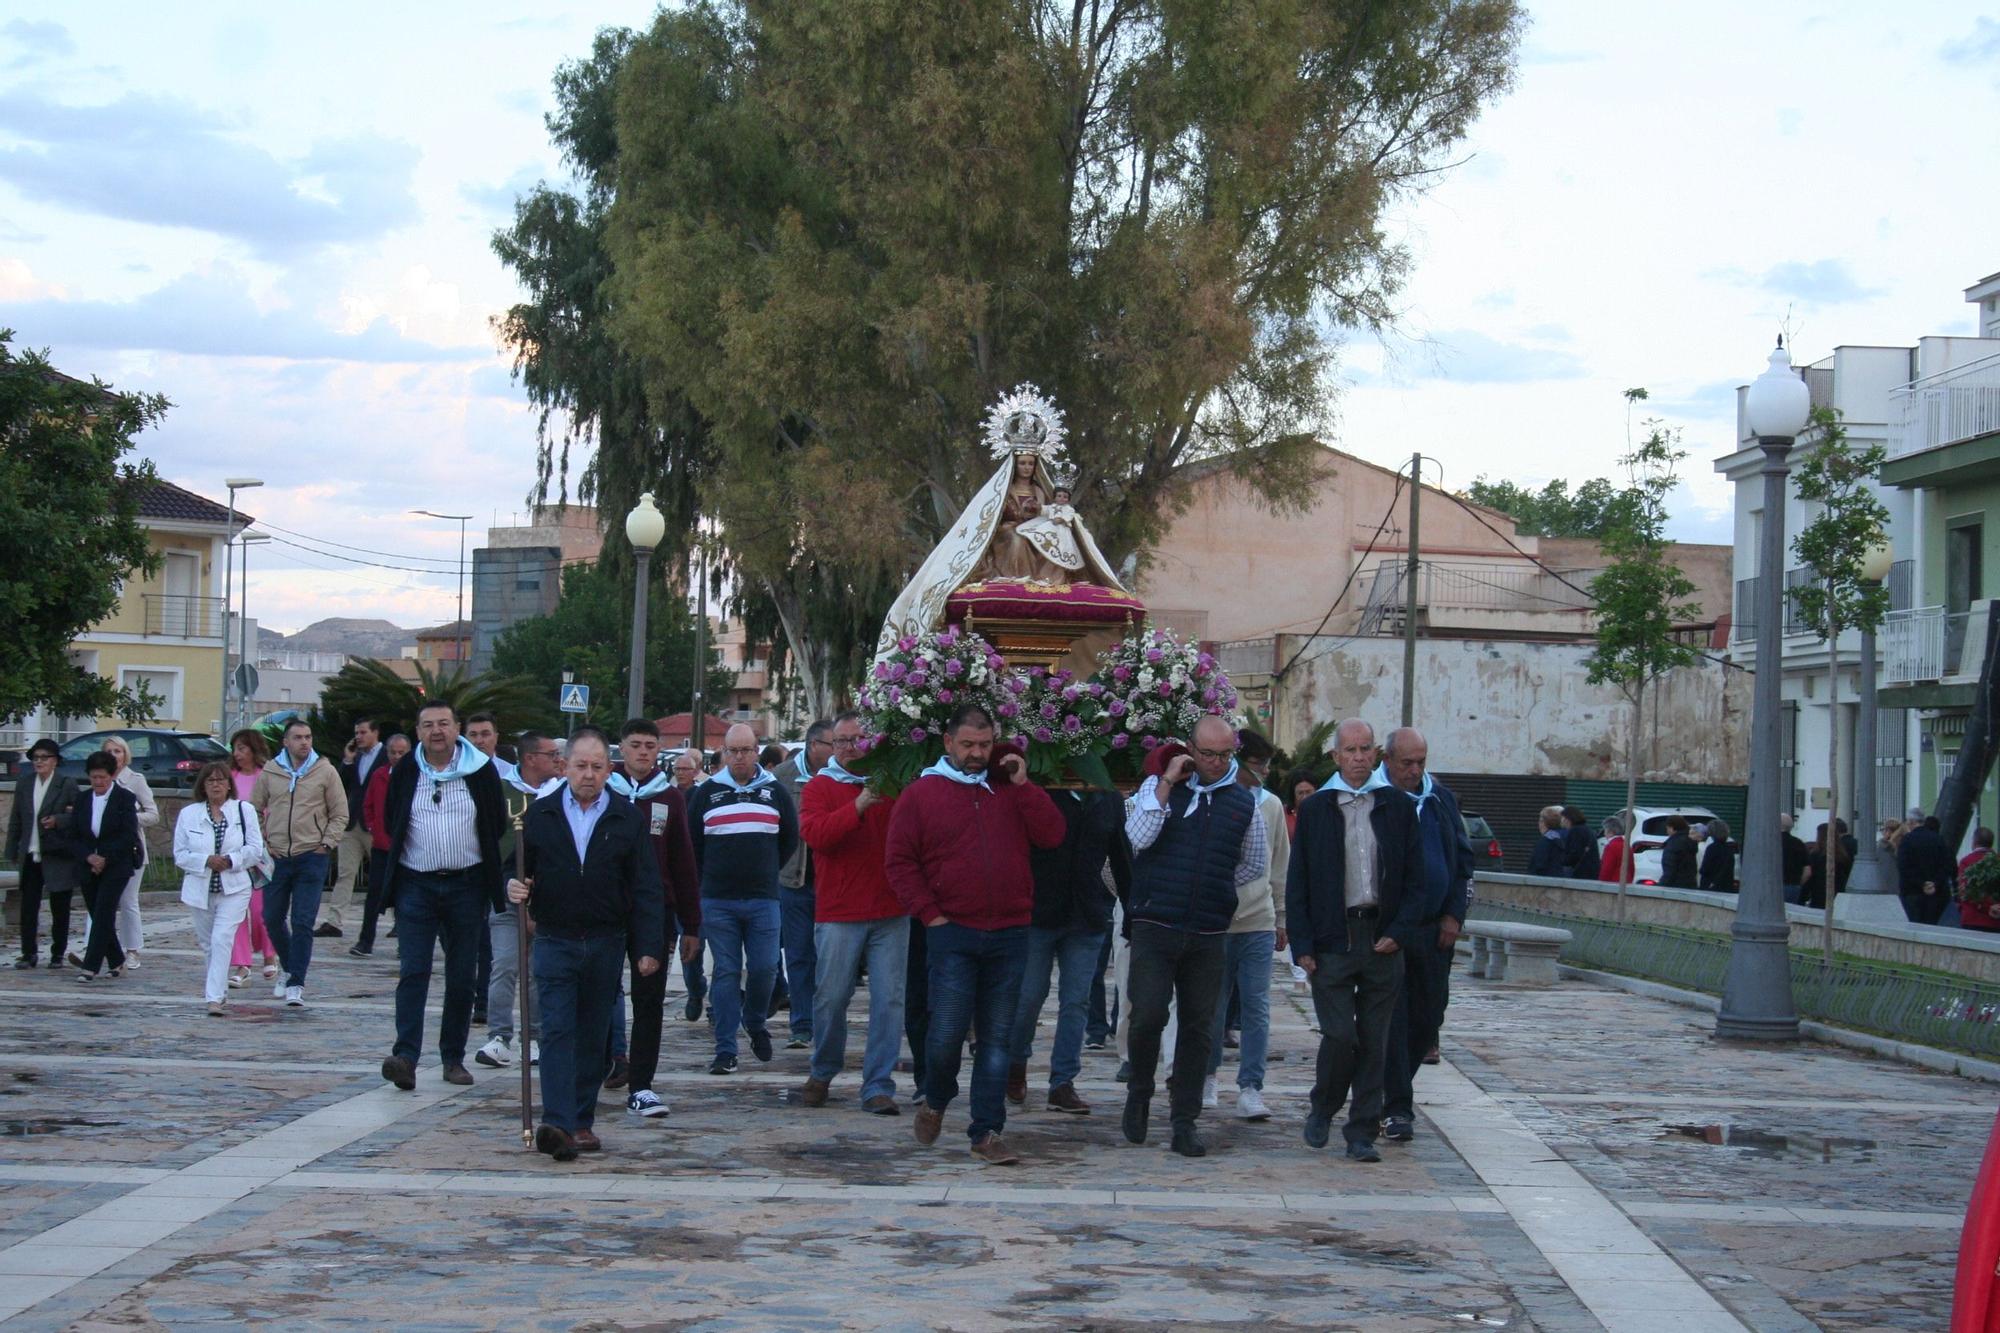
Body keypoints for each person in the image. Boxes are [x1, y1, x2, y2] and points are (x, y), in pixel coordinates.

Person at [886, 704, 1065, 1165]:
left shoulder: (1009, 790)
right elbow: (900, 862)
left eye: (984, 745)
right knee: (944, 1033)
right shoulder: (922, 794)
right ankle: (938, 1095)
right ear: (948, 742)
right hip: (952, 933)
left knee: (997, 1038)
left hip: (1009, 932)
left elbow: (1052, 835)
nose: (976, 754)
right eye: (967, 745)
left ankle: (986, 1130)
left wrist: (1024, 785)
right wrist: (930, 915)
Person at [507, 727, 664, 1161]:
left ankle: (581, 1119)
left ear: (608, 769)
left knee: (594, 1035)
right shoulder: (539, 815)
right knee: (557, 1029)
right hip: (554, 938)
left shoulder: (627, 818)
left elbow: (646, 887)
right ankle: (557, 1122)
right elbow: (515, 868)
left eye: (597, 767)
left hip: (605, 939)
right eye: (581, 766)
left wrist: (648, 947)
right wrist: (513, 887)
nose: (589, 775)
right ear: (565, 766)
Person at [1120, 717, 1270, 1158]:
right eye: (1208, 754)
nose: (1216, 763)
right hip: (1154, 923)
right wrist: (1168, 782)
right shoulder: (1156, 786)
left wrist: (1215, 888)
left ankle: (1184, 1120)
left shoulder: (1244, 803)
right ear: (1190, 748)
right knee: (1147, 1015)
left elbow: (1252, 864)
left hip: (1208, 930)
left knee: (1200, 1028)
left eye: (1225, 755)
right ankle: (1140, 1090)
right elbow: (1138, 839)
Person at [1286, 719, 1425, 1164]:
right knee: (1340, 1034)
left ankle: (1361, 1131)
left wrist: (1398, 932)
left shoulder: (1399, 807)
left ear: (1377, 755)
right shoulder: (1316, 809)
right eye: (1351, 749)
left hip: (1381, 937)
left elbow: (1417, 881)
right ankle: (1323, 1106)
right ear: (1336, 756)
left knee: (1375, 1039)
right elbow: (1299, 880)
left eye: (1366, 749)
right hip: (1333, 937)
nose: (1359, 757)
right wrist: (1303, 943)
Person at [379, 702, 509, 1089]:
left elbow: (496, 822)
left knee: (461, 976)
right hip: (415, 884)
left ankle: (453, 1058)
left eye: (444, 724)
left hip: (466, 885)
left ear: (457, 730)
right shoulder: (406, 771)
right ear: (418, 731)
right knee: (413, 970)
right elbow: (392, 819)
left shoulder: (481, 772)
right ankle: (405, 1056)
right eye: (428, 725)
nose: (436, 731)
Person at [798, 711, 910, 1115]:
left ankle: (878, 1085)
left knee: (889, 1001)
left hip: (890, 909)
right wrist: (859, 805)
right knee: (831, 997)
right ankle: (823, 1070)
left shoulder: (891, 782)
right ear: (830, 746)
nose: (850, 749)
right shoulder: (819, 787)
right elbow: (816, 836)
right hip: (840, 910)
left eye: (858, 740)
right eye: (842, 741)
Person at [596, 719, 702, 1119]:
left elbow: (683, 863)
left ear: (660, 751)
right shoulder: (605, 792)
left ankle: (642, 1085)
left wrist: (691, 924)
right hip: (606, 910)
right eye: (635, 745)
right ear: (620, 749)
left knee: (649, 1001)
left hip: (655, 914)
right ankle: (600, 1066)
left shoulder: (671, 798)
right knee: (599, 994)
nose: (643, 752)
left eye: (650, 746)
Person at [1007, 781, 1131, 1118]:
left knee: (1076, 1000)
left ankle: (1063, 1082)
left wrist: (1131, 909)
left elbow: (1121, 856)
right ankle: (1016, 1062)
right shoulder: (1043, 790)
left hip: (1086, 914)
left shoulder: (1108, 798)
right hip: (1039, 912)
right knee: (1029, 996)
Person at [1377, 728, 1473, 1146]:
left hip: (1436, 930)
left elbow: (1462, 861)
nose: (1415, 771)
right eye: (1406, 763)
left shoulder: (1440, 799)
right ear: (1388, 759)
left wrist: (1454, 915)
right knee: (1394, 1021)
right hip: (1392, 930)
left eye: (1421, 762)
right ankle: (1397, 1106)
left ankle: (1393, 1088)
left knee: (1429, 1016)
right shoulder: (1375, 798)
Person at [686, 723, 799, 1075]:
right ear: (723, 753)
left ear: (756, 750)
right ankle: (725, 1049)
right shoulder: (706, 792)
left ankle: (754, 1020)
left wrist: (764, 871)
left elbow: (789, 839)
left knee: (765, 967)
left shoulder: (774, 791)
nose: (739, 757)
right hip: (718, 899)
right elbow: (693, 846)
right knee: (726, 971)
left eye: (746, 750)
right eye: (732, 751)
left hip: (764, 898)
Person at [1192, 728, 1287, 1123]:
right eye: (1255, 765)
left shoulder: (1271, 806)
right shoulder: (1212, 799)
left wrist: (1281, 916)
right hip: (1216, 922)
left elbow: (1279, 865)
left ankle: (1251, 1087)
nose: (1261, 773)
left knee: (1256, 1007)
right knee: (1212, 1007)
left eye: (1266, 766)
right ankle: (1208, 1077)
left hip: (1258, 920)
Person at [476, 730, 569, 1070]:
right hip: (506, 895)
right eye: (551, 754)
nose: (558, 761)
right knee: (504, 964)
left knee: (536, 971)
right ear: (530, 759)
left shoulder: (561, 791)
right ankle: (499, 1036)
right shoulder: (501, 790)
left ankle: (535, 1038)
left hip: (547, 900)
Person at [251, 719, 349, 1006]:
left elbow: (340, 813)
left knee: (303, 921)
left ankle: (297, 982)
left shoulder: (325, 771)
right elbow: (254, 809)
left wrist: (326, 843)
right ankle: (289, 964)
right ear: (286, 741)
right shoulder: (271, 771)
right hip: (278, 856)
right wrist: (264, 843)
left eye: (308, 737)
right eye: (298, 737)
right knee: (271, 917)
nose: (304, 742)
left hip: (311, 857)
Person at [172, 762, 265, 1015]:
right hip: (200, 889)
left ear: (229, 784)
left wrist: (231, 860)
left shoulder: (243, 811)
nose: (216, 785)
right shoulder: (189, 814)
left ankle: (212, 998)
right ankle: (220, 991)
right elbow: (180, 854)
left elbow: (255, 850)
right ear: (203, 785)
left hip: (234, 887)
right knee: (208, 944)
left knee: (221, 938)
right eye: (211, 780)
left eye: (221, 780)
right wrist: (205, 860)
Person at [774, 722, 833, 1051]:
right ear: (813, 746)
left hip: (831, 882)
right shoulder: (783, 776)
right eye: (831, 743)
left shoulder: (841, 774)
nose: (838, 749)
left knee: (830, 957)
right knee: (798, 954)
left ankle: (825, 1019)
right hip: (792, 880)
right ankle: (802, 1024)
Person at [68, 751, 142, 981]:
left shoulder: (125, 799)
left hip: (116, 865)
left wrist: (105, 858)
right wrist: (89, 857)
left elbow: (128, 834)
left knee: (103, 912)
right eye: (94, 778)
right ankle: (117, 960)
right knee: (98, 912)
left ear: (111, 776)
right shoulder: (82, 800)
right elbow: (73, 835)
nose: (98, 782)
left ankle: (90, 965)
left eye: (102, 777)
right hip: (88, 865)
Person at [7, 738, 77, 968]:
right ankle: (29, 953)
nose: (39, 762)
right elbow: (17, 819)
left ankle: (58, 953)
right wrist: (12, 849)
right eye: (35, 758)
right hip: (30, 853)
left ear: (55, 760)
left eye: (44, 757)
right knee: (29, 907)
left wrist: (59, 820)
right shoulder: (25, 783)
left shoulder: (66, 784)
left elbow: (78, 817)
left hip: (57, 854)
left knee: (60, 907)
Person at [318, 716, 385, 938]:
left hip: (377, 825)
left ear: (375, 733)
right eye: (356, 733)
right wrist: (347, 760)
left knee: (386, 874)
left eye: (363, 732)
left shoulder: (387, 756)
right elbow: (341, 784)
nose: (358, 737)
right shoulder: (355, 757)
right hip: (353, 822)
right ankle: (334, 921)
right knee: (345, 873)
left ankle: (397, 921)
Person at [98, 734, 159, 969]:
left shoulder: (135, 780)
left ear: (125, 755)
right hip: (104, 849)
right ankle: (95, 947)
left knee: (128, 900)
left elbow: (153, 814)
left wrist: (128, 818)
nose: (113, 756)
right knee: (100, 900)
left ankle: (132, 950)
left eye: (118, 751)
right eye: (109, 751)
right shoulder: (99, 780)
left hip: (131, 849)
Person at [348, 733, 411, 958]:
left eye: (401, 753)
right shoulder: (379, 775)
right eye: (392, 752)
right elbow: (369, 805)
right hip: (382, 846)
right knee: (374, 895)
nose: (396, 757)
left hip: (406, 848)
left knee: (406, 896)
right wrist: (374, 827)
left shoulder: (416, 775)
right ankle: (365, 941)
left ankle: (406, 943)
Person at [225, 729, 279, 986]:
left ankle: (269, 955)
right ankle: (242, 963)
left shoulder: (265, 776)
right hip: (234, 854)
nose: (237, 754)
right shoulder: (229, 778)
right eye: (235, 748)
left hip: (259, 854)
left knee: (259, 911)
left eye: (243, 748)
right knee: (235, 911)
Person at [1897, 814, 1955, 925]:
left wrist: (1921, 884)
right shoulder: (1938, 839)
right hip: (1936, 894)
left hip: (1912, 892)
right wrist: (1934, 883)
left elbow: (1903, 867)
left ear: (1911, 822)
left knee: (1914, 924)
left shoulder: (1907, 840)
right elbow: (1946, 865)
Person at [1801, 822, 1852, 910]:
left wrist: (1803, 896)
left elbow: (1811, 876)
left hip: (1819, 892)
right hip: (1838, 892)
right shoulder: (1842, 855)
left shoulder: (1815, 855)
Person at [1959, 828, 2000, 932]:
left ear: (1974, 841)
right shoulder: (1997, 861)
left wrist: (1988, 907)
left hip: (1973, 919)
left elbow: (1965, 891)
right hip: (1996, 920)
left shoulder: (1966, 862)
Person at [1656, 815, 1697, 890]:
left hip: (1675, 886)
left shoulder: (1673, 844)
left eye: (1667, 828)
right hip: (1690, 885)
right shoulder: (1690, 841)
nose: (1667, 831)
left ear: (1672, 828)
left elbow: (1670, 870)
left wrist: (1660, 887)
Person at [1698, 817, 1738, 893]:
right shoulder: (1730, 848)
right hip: (1726, 886)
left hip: (1710, 886)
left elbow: (1705, 869)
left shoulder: (1712, 848)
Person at [1526, 806, 1567, 877]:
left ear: (1544, 823)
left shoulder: (1546, 840)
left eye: (1540, 821)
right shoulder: (1565, 837)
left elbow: (1538, 865)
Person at [1779, 813, 1810, 905]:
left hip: (1771, 886)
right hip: (1792, 886)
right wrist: (1797, 884)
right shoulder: (1799, 843)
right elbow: (1808, 871)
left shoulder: (1769, 842)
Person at [1560, 807, 1597, 880]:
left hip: (1579, 873)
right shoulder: (1587, 829)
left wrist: (1562, 861)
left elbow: (1574, 853)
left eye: (1562, 818)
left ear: (1567, 819)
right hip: (1590, 873)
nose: (1561, 821)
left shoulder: (1575, 831)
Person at [1597, 815, 1630, 885]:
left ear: (1610, 831)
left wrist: (1600, 884)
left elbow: (1606, 870)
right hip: (1626, 885)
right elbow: (1631, 869)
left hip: (1612, 886)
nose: (1604, 833)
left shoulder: (1611, 847)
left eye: (1605, 830)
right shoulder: (1627, 846)